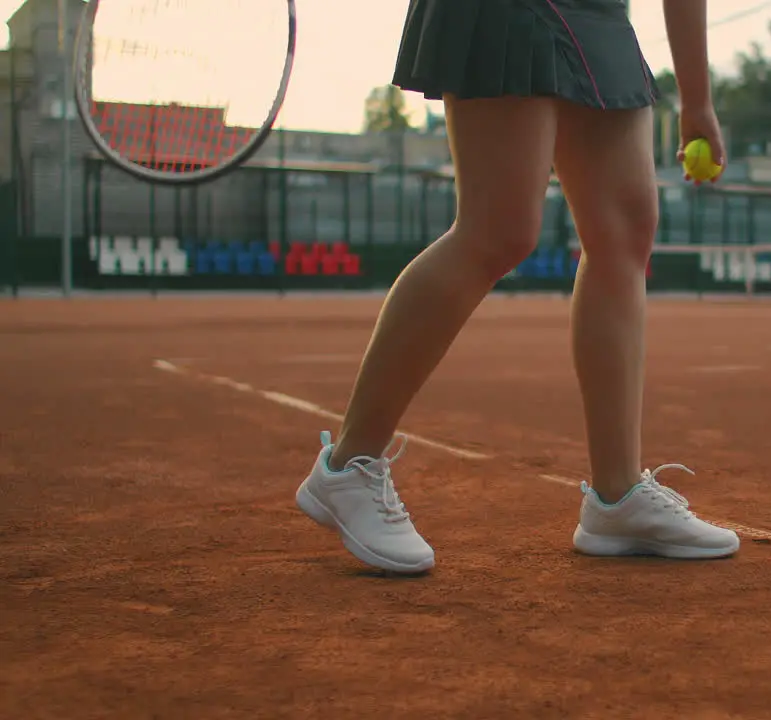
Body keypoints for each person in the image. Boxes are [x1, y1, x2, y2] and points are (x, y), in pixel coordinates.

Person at [293, 0, 741, 573]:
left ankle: (618, 494)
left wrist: (698, 99)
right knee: (497, 230)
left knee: (624, 233)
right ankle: (347, 467)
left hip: (596, 12)